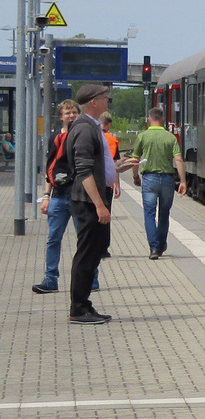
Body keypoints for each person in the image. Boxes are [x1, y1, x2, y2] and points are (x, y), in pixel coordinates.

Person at [65, 84, 126, 325]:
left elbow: (96, 165)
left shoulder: (91, 126)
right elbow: (83, 170)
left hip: (94, 199)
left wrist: (117, 168)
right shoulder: (84, 128)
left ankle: (85, 304)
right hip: (89, 201)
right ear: (93, 102)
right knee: (86, 254)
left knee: (93, 254)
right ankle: (78, 308)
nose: (107, 101)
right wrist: (100, 205)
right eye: (104, 97)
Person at [32, 99, 98, 297]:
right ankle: (50, 279)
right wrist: (46, 196)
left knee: (85, 240)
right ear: (60, 117)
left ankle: (91, 279)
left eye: (73, 112)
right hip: (59, 196)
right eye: (67, 113)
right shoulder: (54, 139)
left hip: (80, 195)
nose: (70, 115)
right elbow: (50, 169)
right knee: (53, 239)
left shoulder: (83, 134)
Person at [129, 106, 188, 259]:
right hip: (167, 179)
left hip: (149, 179)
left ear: (149, 119)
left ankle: (154, 248)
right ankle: (161, 245)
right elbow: (179, 159)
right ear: (162, 120)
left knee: (149, 213)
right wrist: (183, 181)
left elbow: (135, 159)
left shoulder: (142, 136)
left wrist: (135, 176)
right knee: (164, 214)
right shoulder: (170, 137)